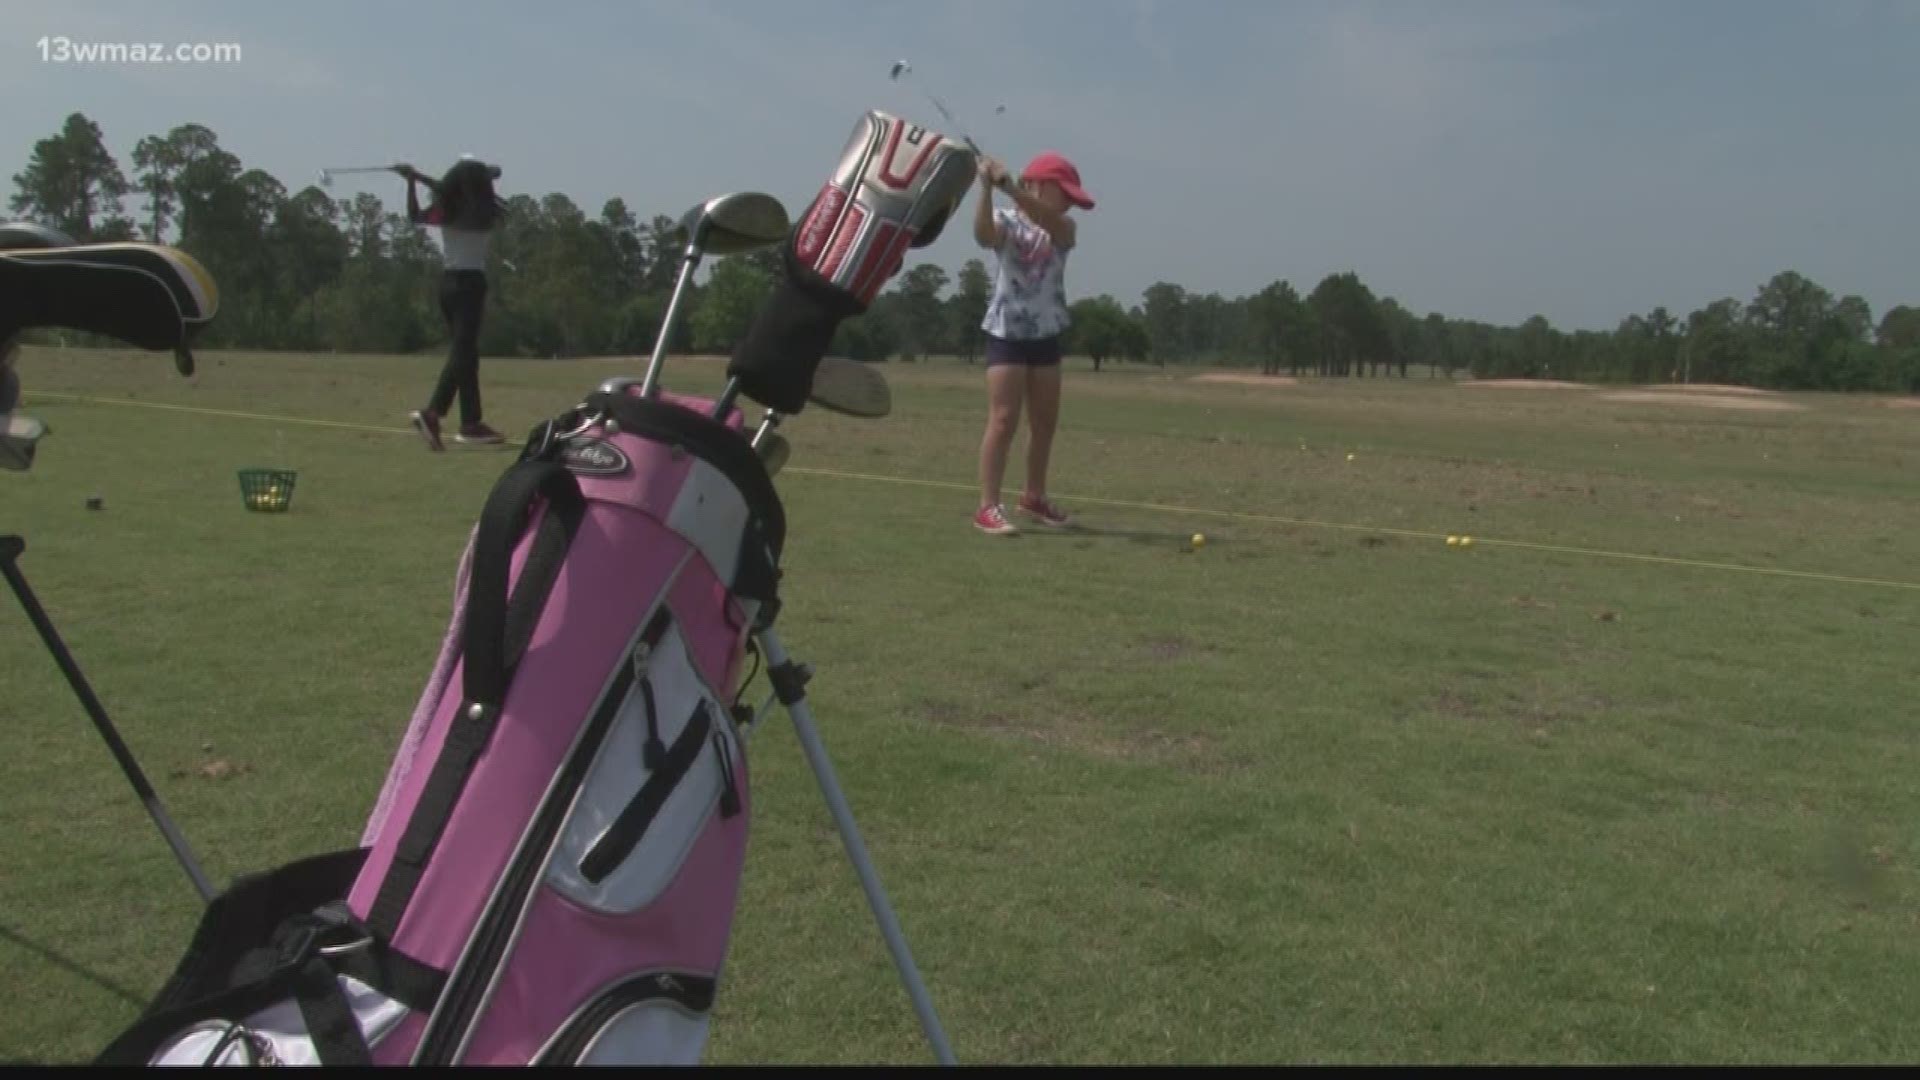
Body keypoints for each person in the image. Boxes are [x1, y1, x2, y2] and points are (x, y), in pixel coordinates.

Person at [970, 150, 1094, 536]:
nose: (1071, 201)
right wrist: (987, 189)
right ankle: (988, 507)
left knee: (1044, 423)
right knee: (1004, 419)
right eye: (1065, 192)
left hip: (1046, 333)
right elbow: (982, 236)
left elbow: (1050, 220)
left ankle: (1033, 497)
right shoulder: (1005, 219)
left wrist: (1010, 188)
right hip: (1007, 333)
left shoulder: (1063, 228)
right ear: (1040, 185)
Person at [400, 155, 506, 450]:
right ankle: (453, 419)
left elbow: (415, 215)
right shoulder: (482, 212)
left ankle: (452, 419)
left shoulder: (447, 209)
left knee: (465, 355)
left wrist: (414, 181)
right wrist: (416, 179)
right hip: (469, 285)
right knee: (464, 354)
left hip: (447, 285)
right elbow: (464, 198)